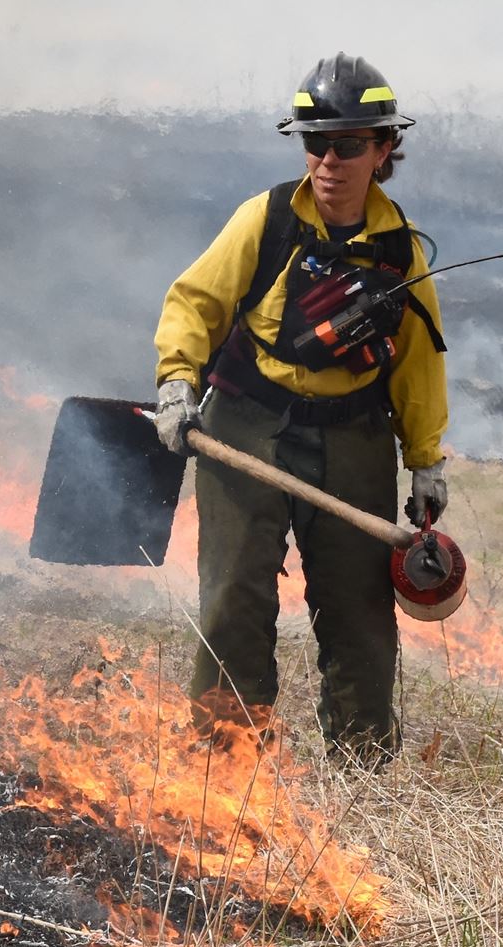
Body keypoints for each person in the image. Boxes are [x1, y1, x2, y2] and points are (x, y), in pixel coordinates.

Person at [149, 53, 451, 766]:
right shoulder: (266, 221)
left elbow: (419, 363)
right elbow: (196, 301)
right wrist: (175, 382)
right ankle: (225, 766)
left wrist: (428, 462)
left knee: (359, 616)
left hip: (354, 439)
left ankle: (363, 769)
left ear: (382, 150)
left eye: (348, 145)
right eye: (316, 143)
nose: (329, 161)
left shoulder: (400, 252)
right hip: (247, 425)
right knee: (233, 599)